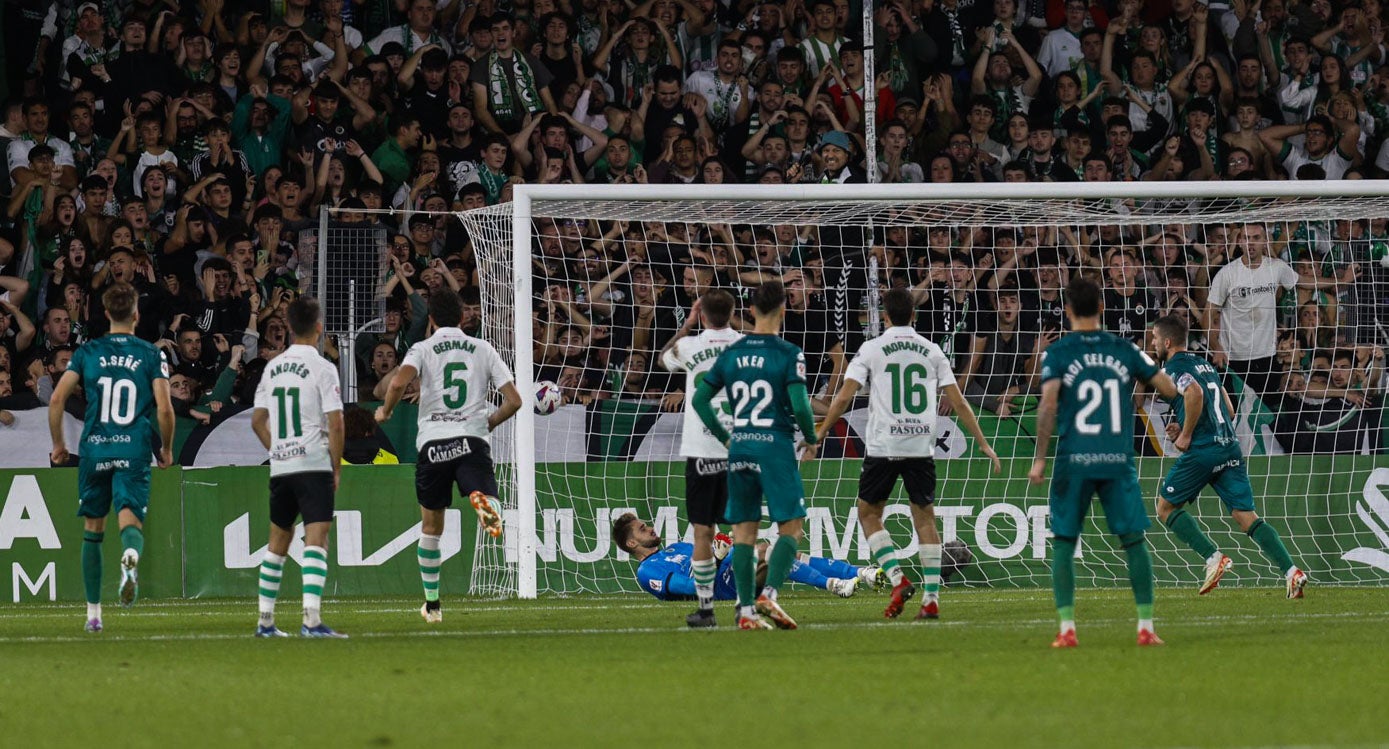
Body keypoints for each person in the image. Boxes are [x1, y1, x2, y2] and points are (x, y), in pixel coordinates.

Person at [808, 288, 1002, 620]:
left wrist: (821, 431)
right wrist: (983, 443)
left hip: (884, 446)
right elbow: (958, 401)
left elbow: (841, 398)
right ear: (914, 315)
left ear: (884, 316)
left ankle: (898, 579)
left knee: (869, 515)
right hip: (919, 446)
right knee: (925, 519)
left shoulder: (871, 348)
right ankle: (930, 599)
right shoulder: (932, 350)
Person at [1027, 277, 1178, 648]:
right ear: (1103, 307)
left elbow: (1047, 405)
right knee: (1133, 540)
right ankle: (1145, 627)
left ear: (1067, 311)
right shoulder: (1124, 349)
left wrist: (1040, 459)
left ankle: (1067, 630)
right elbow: (1169, 389)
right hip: (1117, 457)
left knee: (1064, 539)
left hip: (1074, 457)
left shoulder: (1058, 353)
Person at [375, 288, 522, 624]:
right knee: (482, 492)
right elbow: (514, 400)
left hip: (434, 444)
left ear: (430, 320)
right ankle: (490, 506)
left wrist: (386, 411)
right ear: (461, 318)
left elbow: (397, 383)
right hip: (471, 440)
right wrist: (489, 422)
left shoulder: (423, 348)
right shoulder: (483, 348)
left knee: (431, 527)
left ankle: (433, 605)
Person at [1148, 315, 1308, 598]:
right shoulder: (1206, 365)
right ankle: (1292, 572)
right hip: (1229, 446)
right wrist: (1184, 424)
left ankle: (1213, 558)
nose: (1152, 343)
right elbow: (1228, 409)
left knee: (1165, 508)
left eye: (1155, 338)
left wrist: (1186, 435)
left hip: (1204, 450)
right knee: (1245, 516)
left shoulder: (1173, 369)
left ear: (1167, 342)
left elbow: (1194, 393)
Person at [47, 283, 175, 633]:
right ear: (136, 314)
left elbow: (57, 399)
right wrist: (165, 448)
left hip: (95, 448)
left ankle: (93, 615)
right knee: (130, 522)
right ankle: (130, 556)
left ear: (105, 314)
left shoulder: (87, 352)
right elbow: (164, 408)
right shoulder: (152, 354)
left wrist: (59, 444)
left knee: (93, 529)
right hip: (133, 448)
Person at [691, 280, 818, 631]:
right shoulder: (788, 353)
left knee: (744, 533)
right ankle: (770, 594)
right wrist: (811, 437)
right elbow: (800, 405)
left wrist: (726, 439)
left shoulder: (731, 353)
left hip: (741, 447)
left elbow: (700, 400)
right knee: (791, 527)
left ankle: (745, 612)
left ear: (750, 310)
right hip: (774, 447)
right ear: (784, 309)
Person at [248, 298, 346, 637]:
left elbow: (257, 420)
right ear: (318, 328)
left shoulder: (272, 367)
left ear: (289, 328)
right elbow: (335, 423)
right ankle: (311, 620)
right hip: (312, 463)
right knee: (316, 539)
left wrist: (277, 450)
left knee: (278, 540)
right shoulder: (323, 367)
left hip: (282, 465)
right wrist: (335, 466)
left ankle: (265, 622)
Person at [656, 289, 743, 627]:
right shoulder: (746, 346)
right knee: (742, 529)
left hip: (701, 452)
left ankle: (706, 609)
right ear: (733, 311)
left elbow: (663, 359)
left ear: (702, 314)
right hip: (740, 449)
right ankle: (744, 604)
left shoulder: (690, 346)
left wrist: (687, 325)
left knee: (703, 532)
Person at [613, 514, 881, 601]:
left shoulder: (678, 548)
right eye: (642, 528)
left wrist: (726, 550)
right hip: (721, 588)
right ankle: (833, 585)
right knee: (766, 551)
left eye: (646, 523)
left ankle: (858, 573)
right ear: (632, 543)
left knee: (781, 551)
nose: (649, 527)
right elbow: (694, 588)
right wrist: (718, 560)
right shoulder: (647, 572)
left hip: (730, 572)